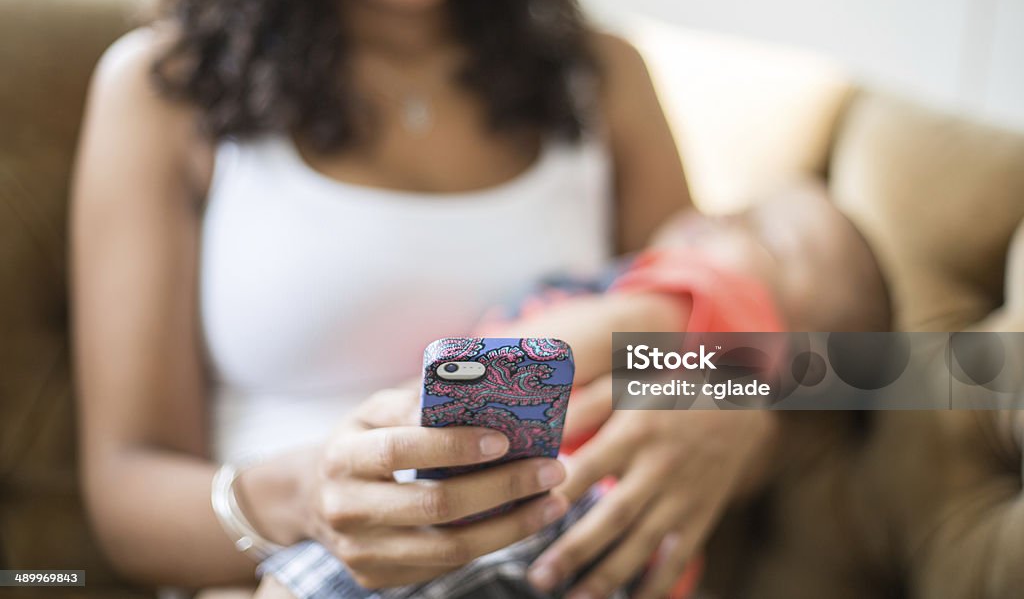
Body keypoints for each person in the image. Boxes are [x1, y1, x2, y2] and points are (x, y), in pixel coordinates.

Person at [69, 0, 699, 599]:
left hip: (555, 555)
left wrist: (732, 416)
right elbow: (126, 493)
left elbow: (737, 330)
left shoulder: (605, 77)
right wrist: (305, 499)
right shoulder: (162, 89)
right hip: (282, 573)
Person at [250, 179, 892, 598]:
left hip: (532, 511)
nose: (720, 216)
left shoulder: (720, 301)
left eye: (762, 234)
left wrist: (448, 388)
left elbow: (569, 350)